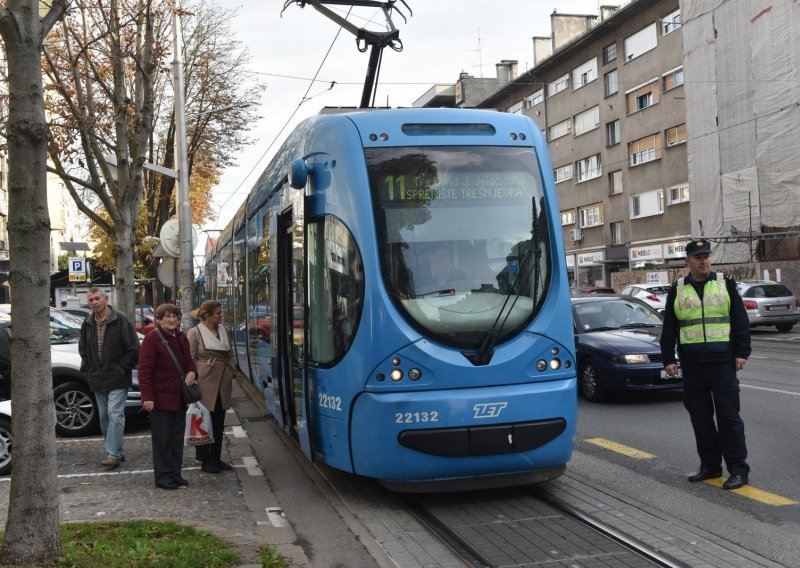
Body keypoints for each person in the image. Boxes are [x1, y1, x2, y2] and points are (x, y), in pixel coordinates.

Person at [660, 239, 752, 490]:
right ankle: (710, 466)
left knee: (729, 419)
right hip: (693, 366)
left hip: (722, 363)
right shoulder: (677, 289)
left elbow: (740, 320)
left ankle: (738, 470)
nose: (704, 261)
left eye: (706, 256)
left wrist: (742, 352)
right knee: (700, 419)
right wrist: (668, 358)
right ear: (687, 261)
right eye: (698, 257)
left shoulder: (725, 284)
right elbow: (669, 327)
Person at [138, 304, 198, 489]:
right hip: (160, 398)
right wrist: (147, 397)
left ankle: (175, 473)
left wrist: (192, 372)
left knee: (176, 438)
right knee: (162, 439)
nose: (172, 320)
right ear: (159, 319)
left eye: (175, 316)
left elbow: (189, 361)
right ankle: (163, 477)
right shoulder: (152, 339)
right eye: (168, 317)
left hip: (179, 397)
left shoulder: (181, 336)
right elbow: (144, 370)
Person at [79, 287, 139, 469]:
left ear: (106, 299)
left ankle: (112, 454)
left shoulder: (120, 320)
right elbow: (83, 348)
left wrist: (123, 368)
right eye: (91, 300)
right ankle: (117, 450)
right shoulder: (87, 322)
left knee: (115, 414)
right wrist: (88, 368)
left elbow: (134, 348)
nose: (94, 302)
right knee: (104, 417)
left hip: (118, 377)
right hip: (97, 377)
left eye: (97, 298)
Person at [187, 300, 236, 474]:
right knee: (203, 422)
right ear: (207, 315)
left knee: (218, 423)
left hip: (222, 381)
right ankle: (205, 460)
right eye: (218, 313)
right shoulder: (195, 332)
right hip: (205, 382)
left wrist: (231, 370)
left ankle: (216, 458)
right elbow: (189, 358)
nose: (221, 315)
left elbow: (230, 353)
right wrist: (195, 376)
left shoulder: (223, 330)